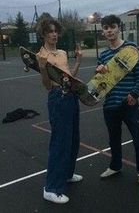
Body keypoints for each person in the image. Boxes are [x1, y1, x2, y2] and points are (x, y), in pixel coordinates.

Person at [97, 14, 139, 184]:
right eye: (106, 28)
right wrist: (99, 73)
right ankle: (115, 166)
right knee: (113, 138)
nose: (109, 30)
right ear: (103, 32)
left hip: (129, 103)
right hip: (110, 104)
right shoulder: (103, 55)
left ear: (119, 28)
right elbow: (101, 84)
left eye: (112, 26)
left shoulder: (131, 48)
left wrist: (135, 94)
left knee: (138, 137)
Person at [36, 17, 83, 204]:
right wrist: (41, 67)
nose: (53, 34)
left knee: (73, 139)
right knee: (60, 142)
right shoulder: (41, 56)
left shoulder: (63, 53)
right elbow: (48, 86)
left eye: (55, 31)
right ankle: (52, 188)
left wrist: (78, 61)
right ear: (43, 34)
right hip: (57, 98)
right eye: (50, 31)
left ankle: (67, 174)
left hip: (71, 95)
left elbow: (70, 77)